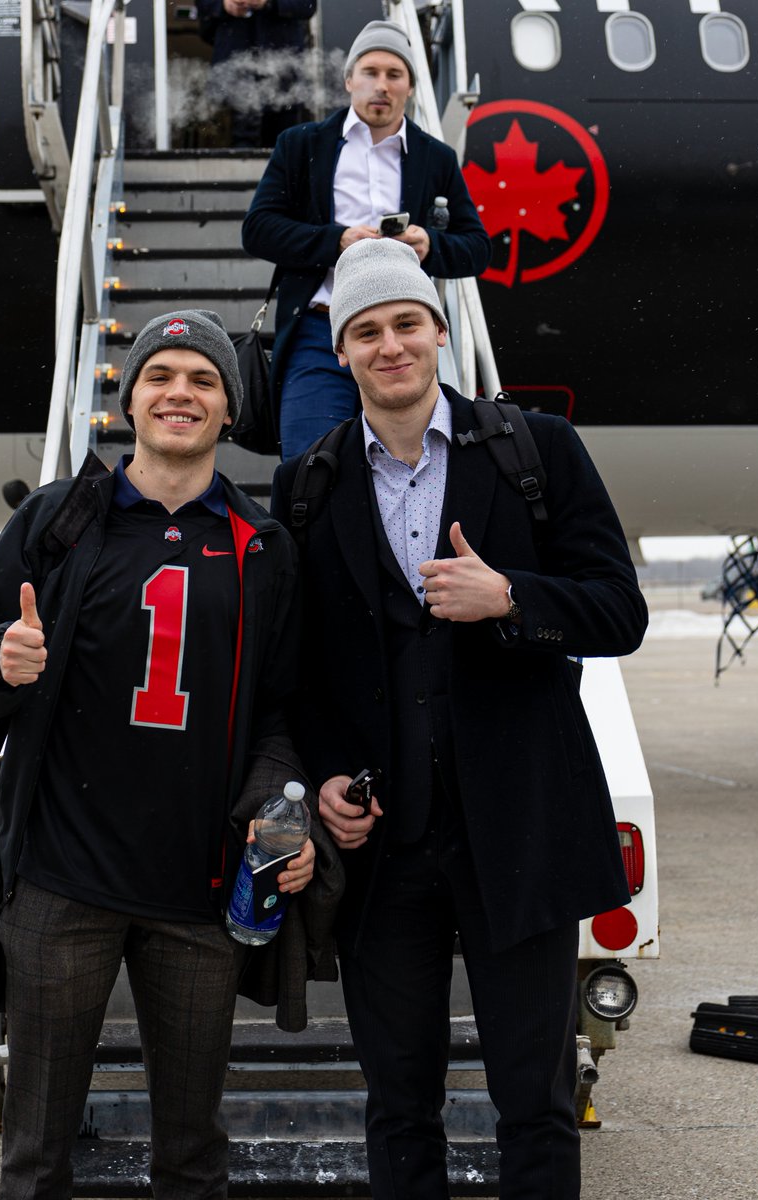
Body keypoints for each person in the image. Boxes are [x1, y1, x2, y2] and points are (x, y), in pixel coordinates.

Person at [271, 239, 649, 1199]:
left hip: (520, 830)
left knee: (536, 1100)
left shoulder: (535, 451)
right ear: (341, 349)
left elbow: (620, 610)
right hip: (387, 850)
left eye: (405, 323)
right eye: (366, 331)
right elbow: (299, 673)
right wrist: (321, 778)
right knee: (399, 1104)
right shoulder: (309, 484)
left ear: (438, 332)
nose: (389, 345)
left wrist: (511, 597)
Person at [0, 309, 341, 1200]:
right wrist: (1, 663)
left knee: (192, 1154)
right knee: (37, 1151)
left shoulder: (263, 548)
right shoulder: (57, 522)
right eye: (160, 376)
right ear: (129, 401)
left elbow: (283, 714)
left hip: (196, 902)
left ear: (229, 411)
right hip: (57, 888)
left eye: (203, 379)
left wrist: (280, 805)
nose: (180, 394)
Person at [242, 18, 492, 459]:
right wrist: (337, 241)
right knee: (308, 468)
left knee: (415, 468)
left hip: (406, 338)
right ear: (348, 80)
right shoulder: (301, 144)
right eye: (371, 73)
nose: (382, 85)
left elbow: (476, 249)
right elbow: (258, 230)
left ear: (410, 87)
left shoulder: (436, 157)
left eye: (395, 75)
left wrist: (429, 246)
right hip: (321, 332)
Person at [197, 0, 316, 149]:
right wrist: (223, 5)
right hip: (234, 66)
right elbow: (203, 5)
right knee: (240, 146)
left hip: (283, 69)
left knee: (284, 146)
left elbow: (307, 5)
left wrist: (269, 3)